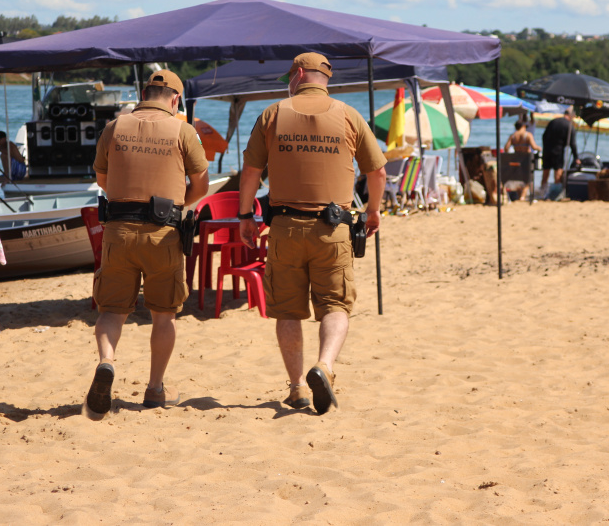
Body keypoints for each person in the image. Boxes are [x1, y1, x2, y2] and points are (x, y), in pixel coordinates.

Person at [237, 53, 387, 415]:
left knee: (288, 312)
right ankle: (325, 365)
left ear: (299, 74)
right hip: (332, 228)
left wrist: (245, 215)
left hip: (285, 227)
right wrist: (373, 211)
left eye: (291, 74)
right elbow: (378, 172)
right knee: (335, 306)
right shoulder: (348, 115)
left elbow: (251, 171)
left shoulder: (272, 114)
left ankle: (297, 387)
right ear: (324, 78)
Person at [83, 70, 209, 420]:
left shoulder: (114, 126)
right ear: (175, 99)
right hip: (163, 232)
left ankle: (107, 361)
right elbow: (202, 184)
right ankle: (155, 389)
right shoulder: (183, 130)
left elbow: (102, 178)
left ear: (143, 92)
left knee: (111, 309)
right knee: (163, 313)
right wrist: (178, 202)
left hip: (119, 230)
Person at [540, 108, 579, 193]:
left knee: (545, 172)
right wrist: (576, 157)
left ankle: (542, 191)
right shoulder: (569, 126)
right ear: (571, 115)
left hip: (547, 150)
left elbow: (543, 136)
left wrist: (545, 147)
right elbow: (573, 144)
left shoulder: (553, 121)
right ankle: (555, 192)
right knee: (558, 172)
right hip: (558, 151)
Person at [503, 121, 541, 200]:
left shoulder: (513, 136)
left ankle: (520, 195)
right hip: (526, 159)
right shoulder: (528, 135)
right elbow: (534, 147)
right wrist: (539, 148)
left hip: (516, 159)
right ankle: (523, 196)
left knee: (518, 178)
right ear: (523, 126)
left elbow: (506, 148)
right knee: (529, 178)